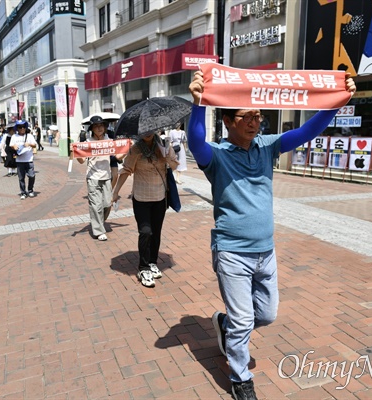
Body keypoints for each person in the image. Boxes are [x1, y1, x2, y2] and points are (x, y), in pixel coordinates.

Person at [187, 70, 356, 400]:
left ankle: (225, 325)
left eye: (258, 115)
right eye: (245, 116)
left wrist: (338, 102)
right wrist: (197, 105)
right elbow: (195, 142)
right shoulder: (216, 156)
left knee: (266, 314)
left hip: (266, 251)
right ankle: (240, 377)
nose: (254, 122)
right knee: (243, 318)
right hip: (232, 252)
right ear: (227, 121)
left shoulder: (268, 146)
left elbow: (307, 131)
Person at [112, 131, 178, 288]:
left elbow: (175, 166)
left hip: (160, 197)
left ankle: (153, 262)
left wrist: (167, 156)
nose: (147, 133)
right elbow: (126, 170)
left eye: (151, 129)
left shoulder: (164, 145)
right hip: (141, 198)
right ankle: (143, 267)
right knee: (145, 232)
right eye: (144, 129)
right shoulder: (135, 150)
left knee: (156, 232)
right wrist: (115, 192)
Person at [77, 116, 114, 241]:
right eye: (96, 126)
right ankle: (98, 230)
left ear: (105, 127)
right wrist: (76, 152)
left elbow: (119, 156)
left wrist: (127, 147)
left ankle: (99, 221)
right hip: (93, 177)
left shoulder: (109, 141)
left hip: (107, 177)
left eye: (101, 125)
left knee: (107, 204)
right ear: (92, 128)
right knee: (96, 205)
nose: (99, 128)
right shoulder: (88, 142)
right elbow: (81, 161)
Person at [10, 120, 37, 199]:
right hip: (19, 160)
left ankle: (30, 190)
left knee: (31, 176)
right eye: (20, 127)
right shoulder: (14, 136)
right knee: (21, 178)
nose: (22, 128)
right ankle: (23, 192)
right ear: (17, 128)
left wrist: (29, 144)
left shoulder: (29, 136)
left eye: (23, 127)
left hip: (29, 159)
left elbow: (35, 145)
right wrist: (14, 146)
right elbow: (11, 145)